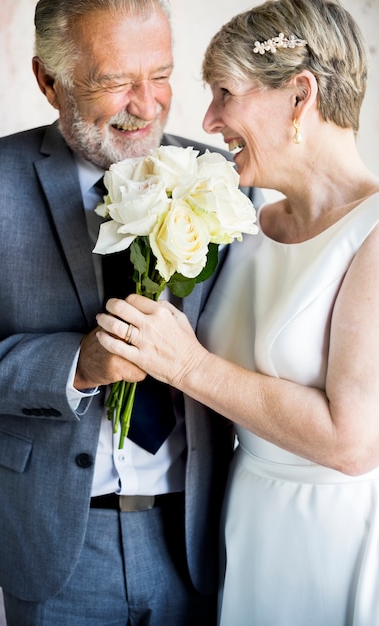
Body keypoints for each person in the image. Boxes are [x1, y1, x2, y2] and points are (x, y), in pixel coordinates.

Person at [0, 1, 260, 624]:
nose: (147, 105)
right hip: (48, 539)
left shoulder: (224, 183)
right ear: (49, 81)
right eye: (114, 81)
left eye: (160, 75)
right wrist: (77, 364)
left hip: (196, 537)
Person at [95, 0, 379, 624]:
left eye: (224, 92)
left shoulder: (374, 234)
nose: (207, 119)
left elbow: (352, 441)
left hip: (326, 534)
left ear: (299, 97)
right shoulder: (243, 219)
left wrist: (186, 364)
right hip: (243, 516)